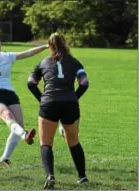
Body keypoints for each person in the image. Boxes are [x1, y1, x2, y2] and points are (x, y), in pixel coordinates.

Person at [0, 35, 48, 165]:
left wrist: (45, 46)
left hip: (10, 94)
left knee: (19, 125)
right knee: (7, 115)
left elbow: (27, 53)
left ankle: (4, 158)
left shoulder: (6, 57)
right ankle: (25, 136)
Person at [27, 33, 89, 189]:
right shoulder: (75, 62)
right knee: (73, 141)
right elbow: (84, 83)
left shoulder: (42, 63)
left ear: (50, 46)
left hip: (49, 104)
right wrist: (74, 97)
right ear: (65, 44)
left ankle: (50, 175)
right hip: (70, 104)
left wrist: (41, 99)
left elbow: (31, 83)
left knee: (46, 143)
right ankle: (82, 176)